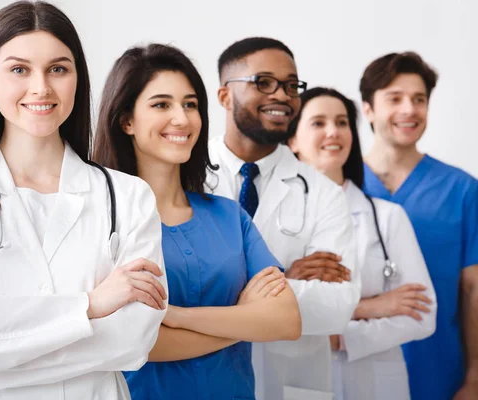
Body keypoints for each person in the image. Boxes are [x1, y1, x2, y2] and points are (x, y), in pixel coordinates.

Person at [0, 2, 168, 399]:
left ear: (77, 78)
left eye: (58, 69)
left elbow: (132, 341)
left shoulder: (128, 198)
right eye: (19, 69)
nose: (41, 87)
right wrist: (90, 305)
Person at [91, 43, 302, 400]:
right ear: (126, 120)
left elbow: (286, 320)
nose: (182, 118)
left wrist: (178, 316)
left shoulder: (228, 215)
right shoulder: (101, 220)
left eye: (190, 104)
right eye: (162, 104)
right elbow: (135, 342)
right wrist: (245, 319)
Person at [207, 36, 360, 400]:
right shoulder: (186, 178)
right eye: (264, 82)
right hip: (205, 376)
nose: (282, 95)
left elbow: (338, 307)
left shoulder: (322, 192)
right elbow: (172, 293)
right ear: (225, 96)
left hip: (292, 384)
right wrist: (282, 279)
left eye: (291, 86)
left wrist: (225, 291)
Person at [288, 86, 437, 400]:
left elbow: (423, 315)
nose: (334, 132)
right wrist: (370, 307)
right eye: (318, 123)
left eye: (342, 122)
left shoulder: (387, 217)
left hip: (378, 384)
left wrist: (340, 337)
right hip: (301, 384)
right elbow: (275, 309)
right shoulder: (275, 221)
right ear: (292, 141)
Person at [360, 52, 478, 400]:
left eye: (419, 99)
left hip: (439, 372)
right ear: (368, 109)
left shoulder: (461, 189)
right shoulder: (340, 186)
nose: (409, 109)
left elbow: (473, 290)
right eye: (394, 98)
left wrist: (475, 378)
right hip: (355, 368)